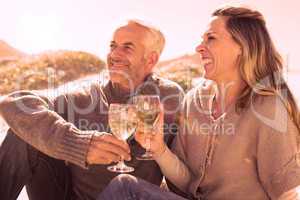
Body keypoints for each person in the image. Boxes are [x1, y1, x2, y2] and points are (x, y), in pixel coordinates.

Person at [97, 5, 300, 200]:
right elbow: (188, 183)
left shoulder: (269, 108)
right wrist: (158, 148)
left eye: (211, 38)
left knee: (125, 187)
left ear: (242, 47)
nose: (199, 47)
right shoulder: (194, 101)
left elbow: (287, 192)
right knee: (124, 185)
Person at [0, 20, 184, 200]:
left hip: (130, 194)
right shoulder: (85, 93)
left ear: (151, 59)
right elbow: (13, 103)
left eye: (127, 48)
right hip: (66, 194)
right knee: (22, 132)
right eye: (113, 46)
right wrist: (78, 144)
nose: (114, 55)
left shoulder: (169, 96)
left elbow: (180, 169)